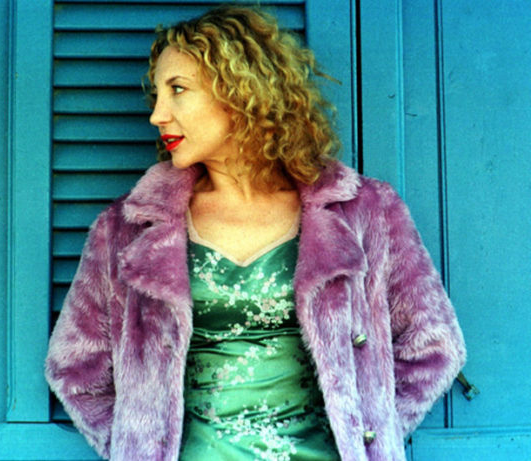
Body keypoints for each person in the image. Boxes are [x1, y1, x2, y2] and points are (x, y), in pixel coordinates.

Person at [45, 5, 466, 461]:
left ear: (240, 91)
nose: (157, 115)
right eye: (157, 95)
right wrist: (141, 444)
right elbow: (74, 368)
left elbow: (434, 345)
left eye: (178, 90)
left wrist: (366, 432)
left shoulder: (364, 211)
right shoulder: (127, 229)